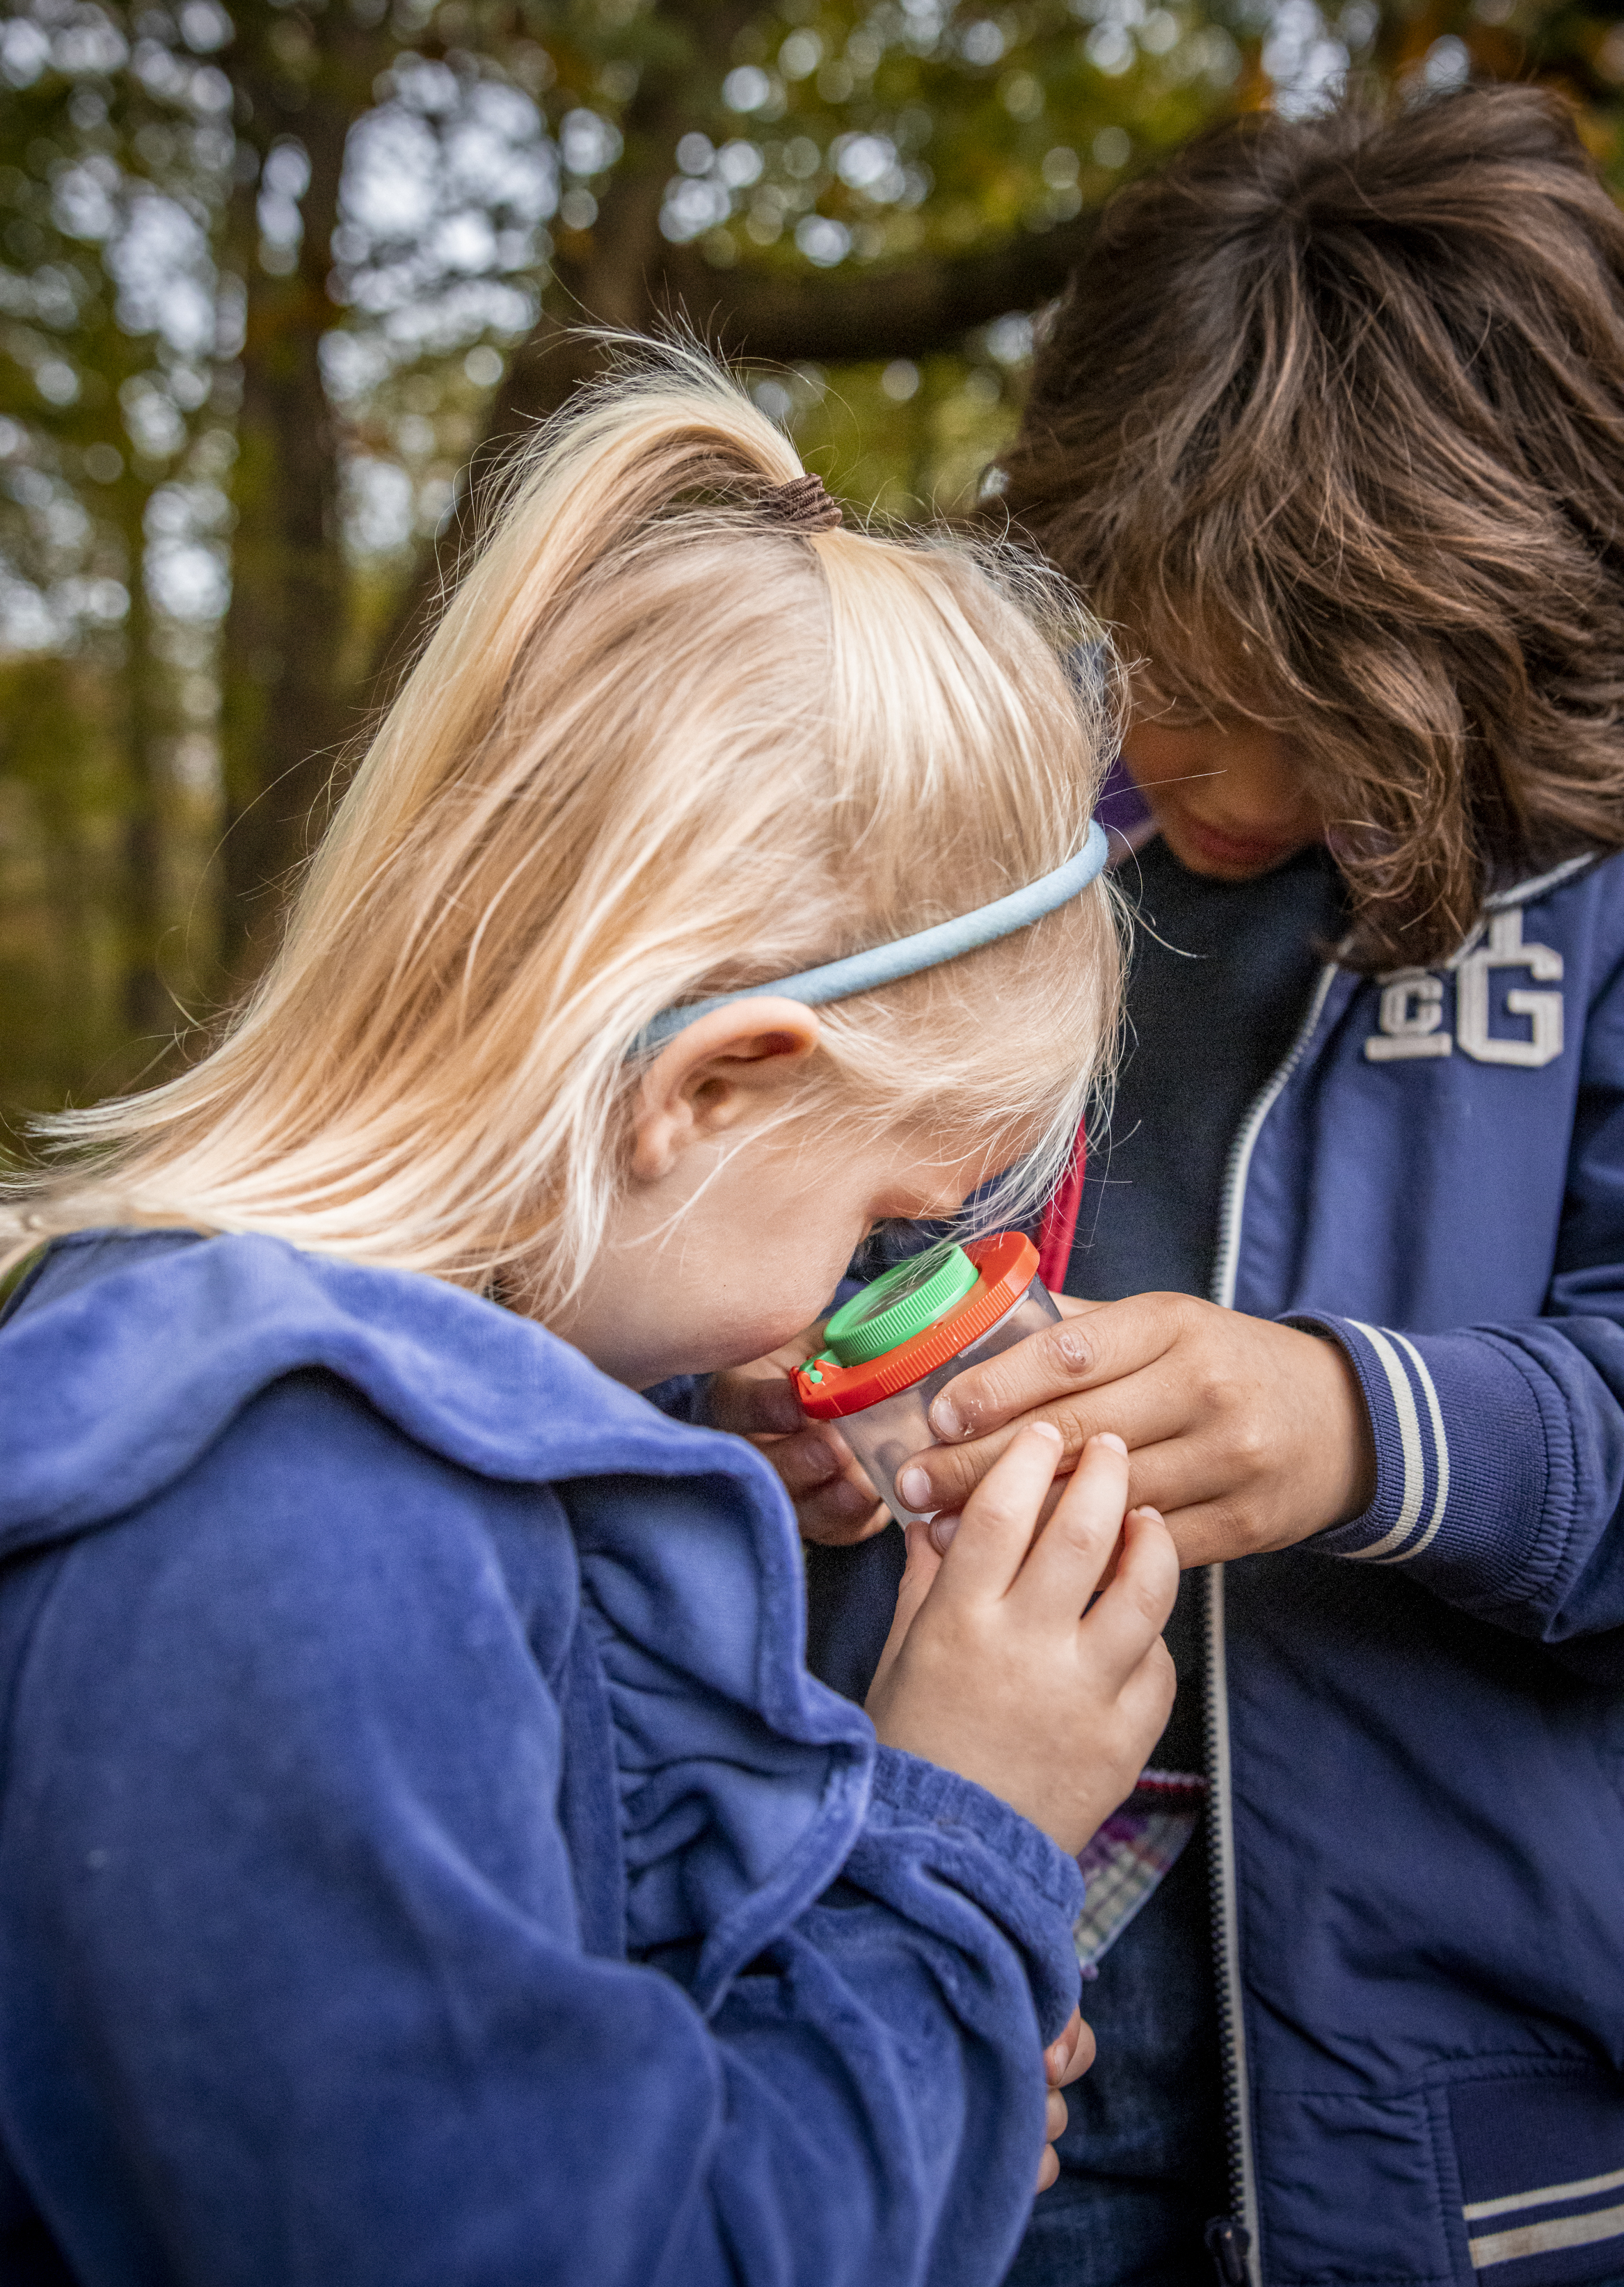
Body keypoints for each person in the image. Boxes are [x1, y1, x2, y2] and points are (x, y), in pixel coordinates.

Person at [0, 355, 1182, 2287]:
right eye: (889, 1215)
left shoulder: (390, 1452)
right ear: (710, 1087)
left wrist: (907, 2060)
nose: (845, 1312)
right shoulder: (271, 1528)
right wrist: (959, 1836)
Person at [715, 88, 1624, 2287]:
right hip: (992, 2049)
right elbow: (787, 1242)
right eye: (1138, 661)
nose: (1174, 752)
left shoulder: (1592, 908)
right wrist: (782, 1411)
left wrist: (1356, 1424)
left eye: (1266, 709)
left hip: (1466, 2129)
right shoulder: (1000, 870)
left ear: (1474, 643)